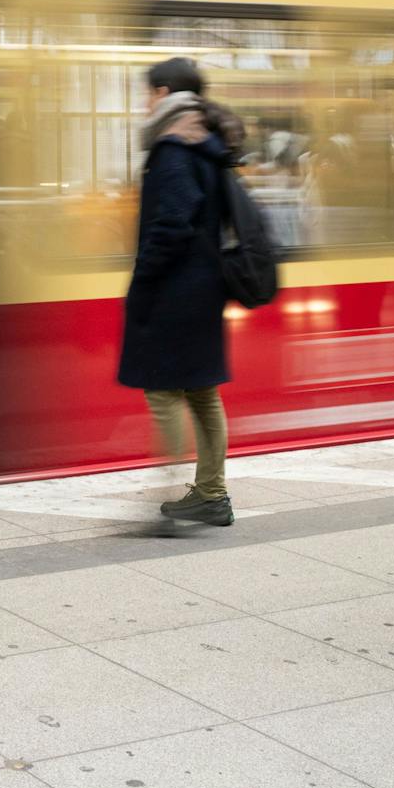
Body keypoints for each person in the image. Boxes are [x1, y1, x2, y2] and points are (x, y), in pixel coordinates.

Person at [117, 57, 243, 528]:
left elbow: (171, 222)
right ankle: (211, 491)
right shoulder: (206, 140)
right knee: (201, 392)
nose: (144, 102)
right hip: (204, 285)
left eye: (147, 92)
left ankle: (169, 494)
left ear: (163, 93)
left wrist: (144, 279)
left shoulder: (173, 146)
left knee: (162, 389)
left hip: (175, 287)